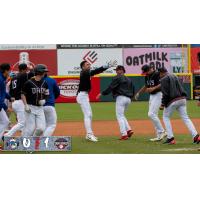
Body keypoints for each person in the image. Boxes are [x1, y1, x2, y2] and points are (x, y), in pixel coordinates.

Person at [76, 60, 116, 142]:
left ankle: (89, 134)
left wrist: (106, 66)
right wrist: (106, 66)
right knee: (88, 115)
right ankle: (89, 134)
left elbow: (95, 71)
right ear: (83, 67)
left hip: (84, 95)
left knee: (89, 115)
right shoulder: (84, 72)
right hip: (82, 95)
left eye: (89, 64)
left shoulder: (87, 72)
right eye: (87, 64)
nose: (89, 65)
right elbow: (95, 71)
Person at [159, 67, 200, 144]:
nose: (159, 76)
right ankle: (196, 136)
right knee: (186, 118)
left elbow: (165, 93)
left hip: (173, 100)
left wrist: (162, 104)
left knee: (166, 117)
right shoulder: (174, 75)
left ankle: (170, 138)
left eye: (159, 74)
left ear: (161, 73)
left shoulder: (163, 79)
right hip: (182, 99)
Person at [96, 65, 134, 140]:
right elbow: (133, 89)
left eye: (117, 70)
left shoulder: (117, 77)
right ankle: (129, 130)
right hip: (128, 99)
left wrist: (102, 93)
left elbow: (111, 87)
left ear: (122, 70)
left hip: (121, 98)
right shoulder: (129, 79)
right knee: (122, 115)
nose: (116, 71)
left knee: (119, 116)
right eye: (116, 70)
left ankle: (124, 134)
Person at [135, 65, 167, 141]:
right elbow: (146, 86)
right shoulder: (147, 76)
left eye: (146, 72)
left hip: (158, 94)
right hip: (152, 96)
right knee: (154, 115)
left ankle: (162, 131)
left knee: (151, 114)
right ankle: (159, 136)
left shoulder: (156, 74)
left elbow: (162, 83)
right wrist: (138, 93)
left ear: (149, 69)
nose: (145, 73)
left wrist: (153, 88)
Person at [4, 63, 34, 137]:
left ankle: (24, 136)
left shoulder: (13, 78)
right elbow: (33, 74)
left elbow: (10, 91)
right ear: (24, 69)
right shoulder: (23, 75)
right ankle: (7, 135)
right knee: (22, 123)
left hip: (15, 102)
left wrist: (11, 104)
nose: (27, 70)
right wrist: (31, 69)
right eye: (26, 69)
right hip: (20, 102)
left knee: (25, 121)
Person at [21, 64, 49, 137]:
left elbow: (47, 94)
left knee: (41, 128)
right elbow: (23, 94)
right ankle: (24, 142)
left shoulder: (44, 83)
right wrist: (26, 105)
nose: (45, 73)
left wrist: (45, 100)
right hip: (30, 107)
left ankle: (33, 140)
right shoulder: (29, 82)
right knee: (30, 128)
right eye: (44, 71)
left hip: (40, 108)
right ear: (39, 72)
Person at [43, 72, 60, 136]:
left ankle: (36, 141)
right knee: (52, 125)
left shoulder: (34, 80)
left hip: (37, 107)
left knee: (42, 125)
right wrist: (52, 98)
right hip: (49, 105)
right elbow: (57, 92)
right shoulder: (51, 80)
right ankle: (43, 141)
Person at [0, 63, 12, 145]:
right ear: (6, 70)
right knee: (5, 121)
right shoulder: (0, 79)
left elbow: (3, 92)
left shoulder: (2, 78)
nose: (10, 71)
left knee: (5, 121)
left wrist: (10, 97)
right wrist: (5, 107)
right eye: (9, 70)